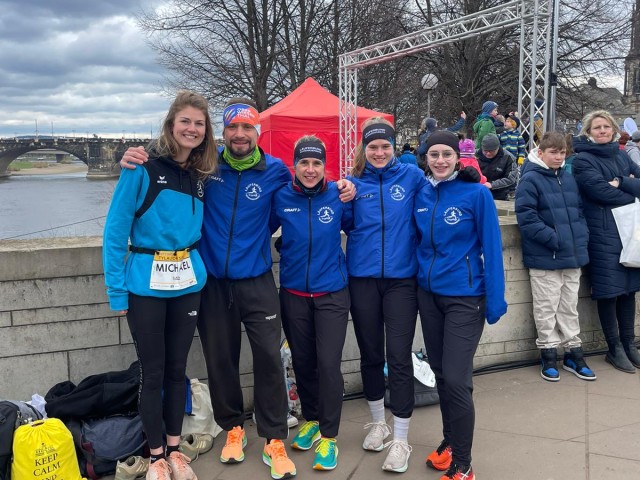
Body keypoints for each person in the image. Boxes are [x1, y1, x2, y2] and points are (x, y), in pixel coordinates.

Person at [120, 98, 356, 480]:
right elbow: (169, 160)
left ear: (257, 132)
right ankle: (233, 428)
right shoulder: (205, 166)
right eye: (233, 128)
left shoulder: (276, 171)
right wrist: (134, 155)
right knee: (220, 359)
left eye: (248, 128)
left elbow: (308, 188)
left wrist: (347, 185)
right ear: (224, 132)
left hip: (258, 279)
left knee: (268, 357)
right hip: (212, 282)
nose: (241, 134)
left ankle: (274, 437)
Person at [103, 91, 217, 480]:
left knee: (177, 370)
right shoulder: (140, 168)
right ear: (171, 125)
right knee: (152, 374)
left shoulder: (201, 175)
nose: (192, 129)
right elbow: (115, 232)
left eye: (199, 124)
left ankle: (174, 448)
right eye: (185, 121)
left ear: (206, 132)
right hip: (145, 286)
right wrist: (116, 291)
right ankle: (155, 458)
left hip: (187, 284)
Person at [415, 131, 507, 480]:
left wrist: (495, 300)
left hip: (465, 298)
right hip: (428, 295)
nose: (440, 161)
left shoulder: (476, 194)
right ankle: (450, 442)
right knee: (441, 375)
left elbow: (493, 248)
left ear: (458, 157)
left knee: (456, 378)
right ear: (426, 157)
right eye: (433, 154)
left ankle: (464, 464)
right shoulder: (421, 192)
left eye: (446, 154)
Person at [344, 117, 425, 473]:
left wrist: (469, 178)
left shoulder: (411, 177)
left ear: (394, 148)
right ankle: (378, 423)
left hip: (401, 280)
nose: (378, 152)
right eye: (372, 146)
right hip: (361, 278)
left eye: (385, 146)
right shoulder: (353, 183)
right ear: (364, 148)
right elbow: (338, 219)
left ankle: (402, 438)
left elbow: (441, 189)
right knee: (371, 353)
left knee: (399, 355)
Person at [271, 136, 351, 472]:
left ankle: (330, 437)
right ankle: (314, 419)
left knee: (329, 364)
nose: (310, 169)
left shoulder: (339, 195)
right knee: (303, 363)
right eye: (304, 162)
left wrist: (354, 187)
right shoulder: (281, 197)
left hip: (332, 293)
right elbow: (254, 229)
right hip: (293, 294)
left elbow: (368, 224)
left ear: (325, 166)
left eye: (316, 163)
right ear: (294, 165)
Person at [515, 131, 595, 382]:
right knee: (546, 307)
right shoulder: (530, 179)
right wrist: (555, 239)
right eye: (553, 152)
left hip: (572, 255)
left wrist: (580, 237)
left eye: (562, 152)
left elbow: (579, 212)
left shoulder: (568, 178)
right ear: (541, 153)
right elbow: (526, 218)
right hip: (546, 256)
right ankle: (548, 353)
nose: (559, 157)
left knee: (569, 307)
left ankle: (573, 352)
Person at [573, 110, 640, 373]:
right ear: (588, 133)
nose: (602, 131)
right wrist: (631, 191)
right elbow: (599, 192)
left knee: (629, 291)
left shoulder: (622, 156)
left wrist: (621, 182)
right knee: (609, 292)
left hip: (629, 234)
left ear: (613, 130)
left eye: (605, 127)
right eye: (596, 128)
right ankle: (614, 348)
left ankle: (629, 343)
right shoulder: (582, 160)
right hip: (602, 234)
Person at [476, 133, 519, 200]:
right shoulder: (475, 156)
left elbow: (511, 179)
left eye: (491, 151)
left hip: (499, 195)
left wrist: (492, 185)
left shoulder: (508, 158)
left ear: (498, 148)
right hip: (478, 193)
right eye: (485, 151)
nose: (488, 153)